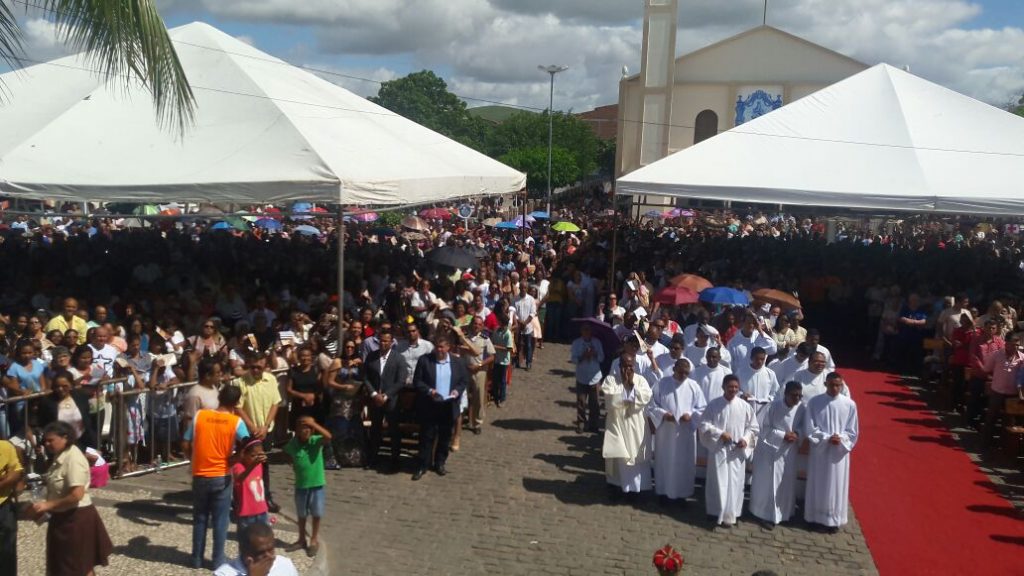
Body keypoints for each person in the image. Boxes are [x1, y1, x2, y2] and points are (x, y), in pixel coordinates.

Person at [29, 420, 113, 576]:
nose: (47, 444)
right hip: (62, 518)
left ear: (65, 438)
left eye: (51, 440)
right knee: (71, 566)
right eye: (45, 441)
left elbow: (76, 494)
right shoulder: (59, 456)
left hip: (76, 519)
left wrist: (49, 505)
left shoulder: (74, 459)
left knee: (77, 567)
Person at [183, 385, 250, 569]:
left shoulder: (200, 416)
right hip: (221, 474)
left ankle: (196, 559)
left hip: (200, 473)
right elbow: (248, 445)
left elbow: (185, 442)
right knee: (221, 520)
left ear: (219, 397)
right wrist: (235, 459)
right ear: (237, 402)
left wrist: (192, 459)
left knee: (200, 518)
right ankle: (217, 560)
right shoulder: (236, 422)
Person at [700, 374, 758, 528]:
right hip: (719, 449)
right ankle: (714, 512)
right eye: (730, 386)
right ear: (723, 387)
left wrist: (745, 439)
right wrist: (720, 433)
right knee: (717, 481)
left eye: (736, 387)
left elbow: (753, 428)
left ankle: (731, 515)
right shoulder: (714, 405)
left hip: (736, 452)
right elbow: (704, 425)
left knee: (735, 483)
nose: (733, 389)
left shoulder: (745, 406)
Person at [804, 372, 859, 533]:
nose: (835, 388)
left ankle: (833, 520)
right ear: (825, 384)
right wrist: (826, 438)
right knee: (817, 483)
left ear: (842, 386)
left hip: (838, 453)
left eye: (838, 385)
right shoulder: (815, 402)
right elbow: (810, 427)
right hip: (820, 451)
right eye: (832, 385)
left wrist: (841, 439)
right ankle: (814, 518)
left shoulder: (849, 404)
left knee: (836, 485)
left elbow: (852, 431)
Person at [646, 358, 706, 504]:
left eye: (686, 373)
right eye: (680, 372)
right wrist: (663, 414)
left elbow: (702, 408)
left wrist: (691, 415)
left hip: (685, 432)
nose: (683, 376)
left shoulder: (694, 386)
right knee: (665, 461)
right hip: (666, 432)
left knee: (684, 463)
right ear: (674, 369)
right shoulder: (662, 384)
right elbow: (651, 404)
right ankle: (663, 493)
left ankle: (682, 495)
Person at [412, 336, 469, 480]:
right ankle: (423, 464)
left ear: (448, 347)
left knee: (445, 436)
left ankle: (440, 463)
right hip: (430, 404)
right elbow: (417, 381)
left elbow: (463, 381)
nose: (439, 350)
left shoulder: (457, 362)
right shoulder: (425, 361)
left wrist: (456, 391)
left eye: (442, 347)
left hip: (448, 405)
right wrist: (429, 391)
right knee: (426, 436)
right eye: (437, 347)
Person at [749, 381, 805, 528]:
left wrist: (797, 433)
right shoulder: (772, 406)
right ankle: (764, 514)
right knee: (768, 483)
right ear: (785, 394)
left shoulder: (801, 408)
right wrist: (782, 435)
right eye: (794, 395)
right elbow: (762, 427)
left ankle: (784, 513)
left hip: (789, 452)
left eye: (799, 396)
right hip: (769, 452)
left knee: (786, 482)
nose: (797, 399)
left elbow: (803, 426)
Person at [233, 351, 283, 513]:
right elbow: (238, 407)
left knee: (264, 465)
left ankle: (265, 497)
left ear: (265, 366)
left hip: (266, 429)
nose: (256, 370)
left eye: (259, 368)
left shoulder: (271, 379)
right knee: (243, 465)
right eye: (253, 367)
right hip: (248, 433)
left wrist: (265, 426)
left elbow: (275, 403)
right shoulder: (240, 382)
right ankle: (240, 498)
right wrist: (252, 427)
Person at [601, 353, 653, 500]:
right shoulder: (611, 380)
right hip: (617, 424)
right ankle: (618, 488)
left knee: (636, 456)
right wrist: (624, 386)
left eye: (630, 366)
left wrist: (630, 386)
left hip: (636, 425)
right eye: (624, 366)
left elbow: (645, 397)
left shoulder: (640, 380)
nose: (627, 369)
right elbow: (610, 401)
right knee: (619, 454)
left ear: (634, 366)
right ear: (619, 366)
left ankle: (637, 490)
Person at [283, 416, 331, 558]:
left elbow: (328, 437)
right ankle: (301, 538)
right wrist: (292, 462)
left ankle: (314, 539)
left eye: (309, 428)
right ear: (297, 430)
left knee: (316, 513)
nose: (306, 430)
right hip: (301, 485)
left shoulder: (315, 441)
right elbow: (286, 452)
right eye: (303, 427)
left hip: (316, 485)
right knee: (301, 514)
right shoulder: (293, 444)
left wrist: (314, 424)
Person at [364, 331, 409, 471]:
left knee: (393, 430)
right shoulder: (371, 357)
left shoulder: (399, 358)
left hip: (391, 400)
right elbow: (366, 377)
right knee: (375, 429)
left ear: (391, 342)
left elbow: (401, 381)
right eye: (381, 341)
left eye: (386, 341)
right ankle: (373, 457)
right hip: (375, 400)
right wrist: (373, 394)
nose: (383, 344)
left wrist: (386, 395)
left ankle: (394, 459)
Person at [981, 332, 1024, 447]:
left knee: (1009, 421)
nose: (1015, 347)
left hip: (1012, 394)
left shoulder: (1022, 358)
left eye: (1017, 345)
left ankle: (1005, 444)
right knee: (991, 417)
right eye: (1013, 344)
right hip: (997, 392)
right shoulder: (996, 355)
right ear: (1006, 344)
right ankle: (986, 443)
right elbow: (986, 368)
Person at [214, 523, 299, 576]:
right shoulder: (223, 573)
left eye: (271, 550)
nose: (269, 556)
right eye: (260, 552)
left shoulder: (286, 565)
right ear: (243, 550)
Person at [461, 317, 495, 435]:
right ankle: (461, 420)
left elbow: (492, 356)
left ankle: (477, 423)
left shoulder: (485, 339)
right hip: (465, 370)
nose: (476, 326)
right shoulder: (465, 337)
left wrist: (480, 365)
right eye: (475, 323)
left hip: (479, 371)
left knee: (478, 398)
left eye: (479, 324)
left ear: (482, 326)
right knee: (462, 396)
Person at [570, 323, 605, 433]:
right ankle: (581, 423)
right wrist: (583, 356)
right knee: (581, 402)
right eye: (584, 330)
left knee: (594, 403)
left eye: (588, 330)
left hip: (594, 377)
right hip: (582, 376)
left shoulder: (597, 342)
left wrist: (594, 354)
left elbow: (602, 358)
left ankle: (593, 425)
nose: (587, 332)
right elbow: (574, 359)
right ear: (581, 331)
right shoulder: (577, 343)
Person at [232, 438, 270, 533]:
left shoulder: (259, 465)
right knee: (246, 539)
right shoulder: (238, 466)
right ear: (243, 454)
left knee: (263, 537)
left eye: (259, 455)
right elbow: (239, 479)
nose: (256, 458)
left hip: (262, 510)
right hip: (246, 513)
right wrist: (252, 465)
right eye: (253, 455)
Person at [736, 347, 780, 427]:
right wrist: (741, 395)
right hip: (746, 411)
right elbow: (735, 390)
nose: (759, 361)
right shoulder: (741, 372)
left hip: (764, 412)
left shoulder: (770, 374)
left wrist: (769, 399)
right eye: (757, 359)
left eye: (762, 359)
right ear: (751, 358)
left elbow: (776, 392)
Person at [0, 438, 23, 575]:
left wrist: (5, 481)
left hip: (4, 506)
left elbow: (16, 471)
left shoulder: (5, 447)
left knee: (7, 554)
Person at [490, 312, 514, 408]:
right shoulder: (496, 331)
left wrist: (497, 347)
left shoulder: (507, 333)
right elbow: (492, 341)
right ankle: (495, 395)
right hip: (496, 359)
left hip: (504, 361)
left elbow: (509, 348)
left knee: (502, 380)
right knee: (495, 378)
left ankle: (502, 398)